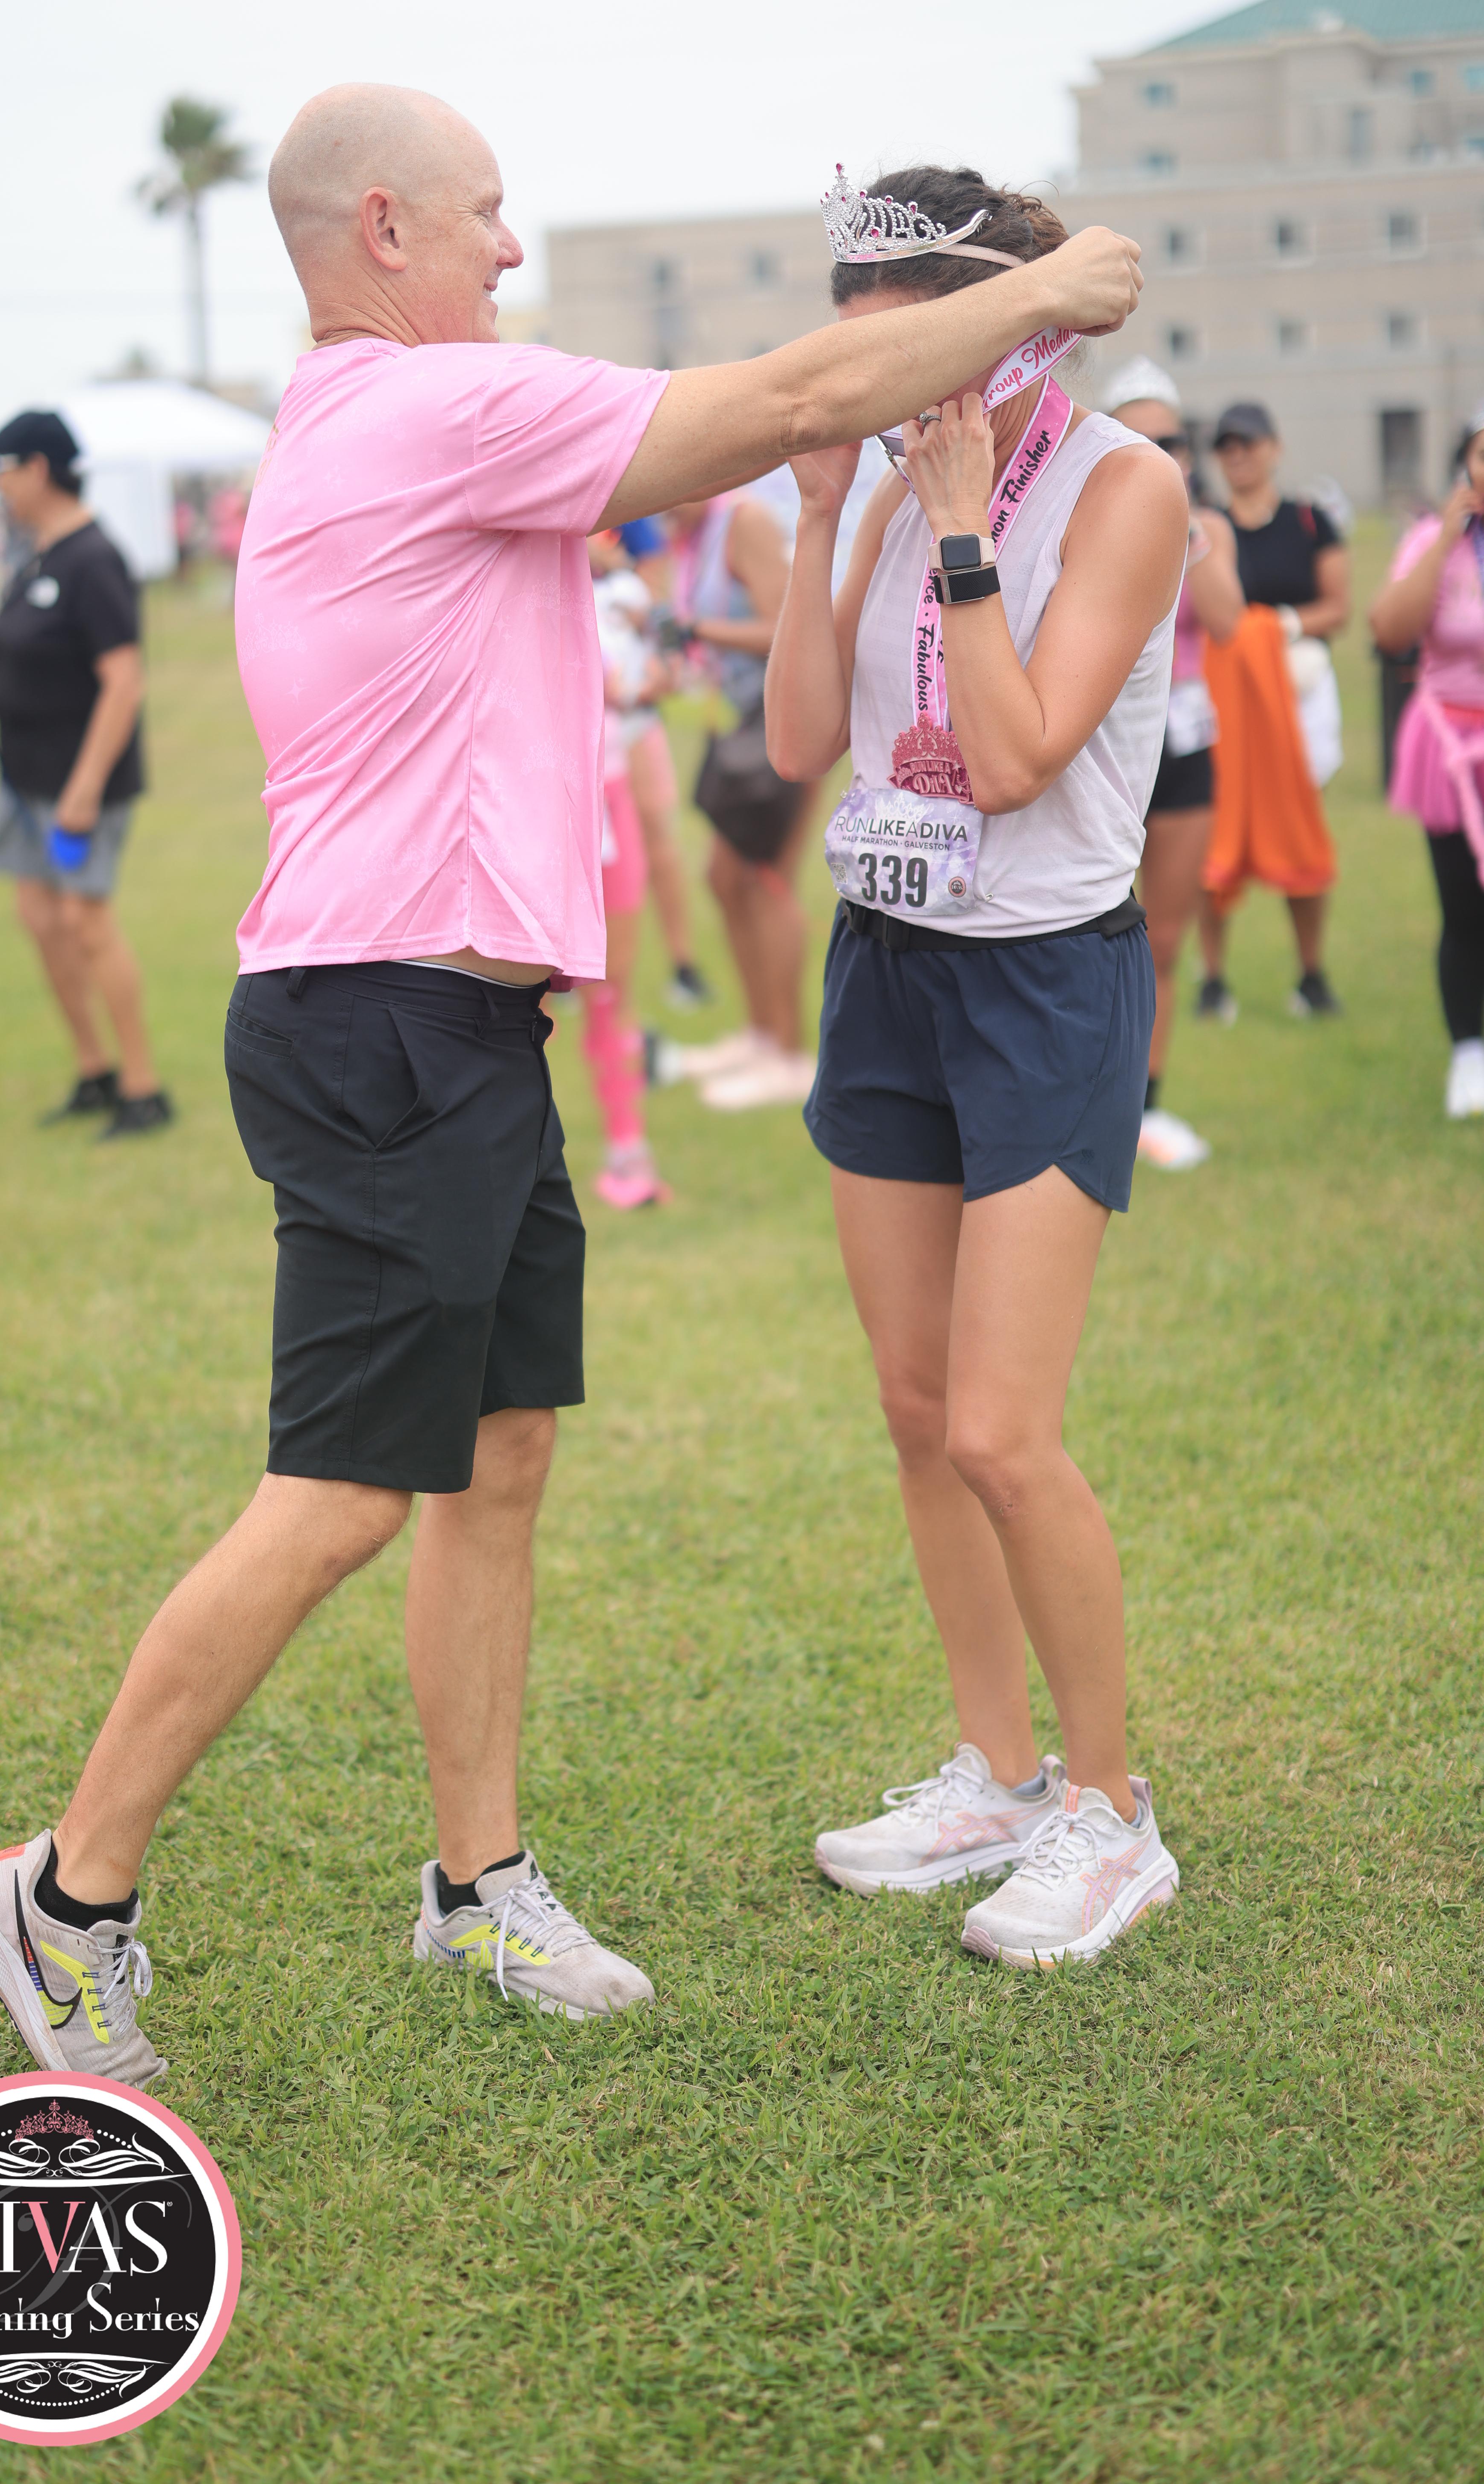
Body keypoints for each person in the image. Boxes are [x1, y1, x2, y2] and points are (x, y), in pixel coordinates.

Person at [0, 85, 1140, 2080]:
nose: (511, 249)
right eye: (488, 214)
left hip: (461, 1028)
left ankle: (475, 1878)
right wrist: (1050, 286)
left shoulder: (399, 419)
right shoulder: (421, 405)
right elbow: (790, 395)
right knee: (339, 1491)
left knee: (496, 1459)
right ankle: (62, 1891)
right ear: (385, 228)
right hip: (379, 1023)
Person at [766, 162, 1184, 1969]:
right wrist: (818, 520)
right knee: (917, 1403)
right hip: (889, 964)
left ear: (1002, 328)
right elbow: (803, 736)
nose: (868, 376)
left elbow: (1012, 758)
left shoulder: (1123, 486)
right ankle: (997, 1772)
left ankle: (1108, 1810)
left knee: (1005, 1432)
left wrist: (956, 529)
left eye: (897, 340)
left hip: (1044, 982)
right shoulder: (873, 477)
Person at [0, 411, 174, 1137]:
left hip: (77, 782)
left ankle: (143, 1089)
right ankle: (94, 1071)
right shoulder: (35, 554)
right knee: (40, 918)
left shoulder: (94, 559)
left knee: (86, 923)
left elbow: (124, 682)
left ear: (37, 468)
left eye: (1, 468)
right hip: (23, 775)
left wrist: (84, 789)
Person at [1106, 360, 1244, 1170]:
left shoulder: (1207, 528)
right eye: (1141, 440)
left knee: (1161, 939)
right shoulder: (1086, 516)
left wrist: (1185, 525)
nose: (1160, 455)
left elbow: (1227, 622)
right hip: (1102, 741)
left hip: (1184, 739)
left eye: (1172, 443)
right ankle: (1086, 1092)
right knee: (1086, 929)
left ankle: (1145, 1104)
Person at [664, 489, 822, 1109]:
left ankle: (789, 1054)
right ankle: (761, 1037)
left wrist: (697, 630)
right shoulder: (694, 534)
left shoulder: (743, 521)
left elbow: (789, 629)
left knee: (766, 882)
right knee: (727, 880)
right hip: (741, 724)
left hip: (786, 722)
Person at [1198, 402, 1351, 1023]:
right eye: (1226, 445)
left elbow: (1337, 606)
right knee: (1215, 829)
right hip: (1225, 698)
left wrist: (1281, 626)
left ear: (1274, 447)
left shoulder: (1309, 521)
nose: (1238, 454)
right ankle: (1213, 977)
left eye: (1249, 442)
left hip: (1297, 688)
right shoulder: (1208, 528)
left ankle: (1311, 972)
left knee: (1297, 824)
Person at [1370, 409, 1484, 1118]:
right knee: (1464, 906)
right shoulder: (1433, 539)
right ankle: (1468, 1051)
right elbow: (1389, 631)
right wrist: (1444, 538)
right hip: (1453, 746)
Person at [585, 529, 669, 1206]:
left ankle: (627, 1147)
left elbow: (647, 681)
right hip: (537, 808)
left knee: (613, 984)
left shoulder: (619, 595)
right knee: (515, 996)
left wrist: (654, 672)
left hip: (608, 795)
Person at [615, 513, 711, 1009]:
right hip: (569, 720)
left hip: (633, 715)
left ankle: (683, 965)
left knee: (658, 838)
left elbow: (658, 592)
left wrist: (667, 657)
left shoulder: (623, 513)